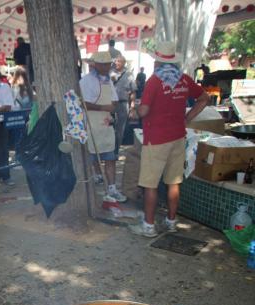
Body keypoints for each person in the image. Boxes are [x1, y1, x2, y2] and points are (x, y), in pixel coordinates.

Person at [130, 41, 209, 237]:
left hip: (156, 139)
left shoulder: (154, 82)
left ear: (157, 61)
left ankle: (148, 226)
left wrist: (135, 112)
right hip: (178, 137)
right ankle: (171, 221)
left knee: (150, 184)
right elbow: (204, 98)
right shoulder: (183, 80)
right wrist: (187, 118)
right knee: (174, 182)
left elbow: (145, 110)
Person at [79, 51, 126, 202]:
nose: (107, 67)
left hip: (106, 125)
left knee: (110, 158)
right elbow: (83, 103)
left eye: (108, 64)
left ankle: (112, 189)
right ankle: (91, 188)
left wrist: (112, 106)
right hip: (91, 124)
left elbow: (114, 100)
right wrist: (103, 108)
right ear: (96, 65)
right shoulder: (86, 81)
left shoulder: (108, 80)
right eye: (104, 64)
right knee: (91, 157)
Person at [111, 56, 137, 157]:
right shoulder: (110, 73)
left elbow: (133, 91)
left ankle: (116, 151)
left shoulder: (129, 75)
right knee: (108, 128)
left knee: (120, 129)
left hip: (122, 103)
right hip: (110, 104)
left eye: (119, 61)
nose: (116, 63)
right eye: (116, 61)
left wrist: (132, 106)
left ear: (123, 63)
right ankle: (108, 150)